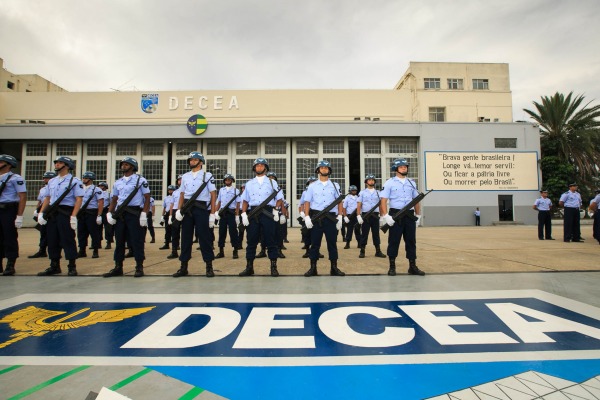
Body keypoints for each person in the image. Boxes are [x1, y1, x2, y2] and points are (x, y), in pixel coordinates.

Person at [102, 157, 150, 278]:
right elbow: (114, 199)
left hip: (134, 213)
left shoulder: (140, 180)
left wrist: (144, 213)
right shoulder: (118, 182)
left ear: (133, 166)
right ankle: (118, 266)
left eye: (127, 164)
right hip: (120, 214)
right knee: (119, 241)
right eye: (122, 164)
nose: (124, 166)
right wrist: (109, 213)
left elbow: (147, 197)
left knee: (136, 240)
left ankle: (139, 266)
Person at [37, 156, 83, 276]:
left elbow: (78, 199)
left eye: (60, 162)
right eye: (56, 162)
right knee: (52, 239)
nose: (57, 164)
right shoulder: (52, 181)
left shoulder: (75, 181)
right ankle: (54, 265)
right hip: (52, 213)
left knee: (67, 239)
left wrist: (73, 216)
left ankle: (72, 266)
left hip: (65, 212)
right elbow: (47, 198)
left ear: (67, 165)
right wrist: (41, 212)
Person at [172, 152, 216, 278]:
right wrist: (179, 210)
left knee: (204, 238)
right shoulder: (185, 176)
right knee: (185, 238)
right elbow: (182, 194)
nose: (192, 161)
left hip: (201, 208)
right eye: (191, 159)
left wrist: (212, 213)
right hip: (187, 209)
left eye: (195, 159)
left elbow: (213, 194)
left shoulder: (207, 176)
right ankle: (183, 267)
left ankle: (209, 266)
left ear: (201, 162)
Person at [238, 158, 284, 277]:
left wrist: (276, 210)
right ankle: (249, 267)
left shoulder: (271, 182)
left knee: (271, 240)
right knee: (251, 240)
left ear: (265, 168)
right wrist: (243, 213)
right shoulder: (249, 184)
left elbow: (279, 198)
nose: (259, 167)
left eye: (261, 165)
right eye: (257, 166)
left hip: (268, 212)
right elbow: (245, 200)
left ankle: (273, 267)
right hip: (253, 212)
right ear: (254, 168)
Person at [379, 158, 425, 276]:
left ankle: (412, 266)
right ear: (396, 169)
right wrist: (385, 216)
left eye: (405, 166)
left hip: (409, 215)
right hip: (396, 214)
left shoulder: (411, 183)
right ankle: (392, 266)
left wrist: (418, 215)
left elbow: (416, 201)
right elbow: (383, 201)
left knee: (411, 241)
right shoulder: (389, 182)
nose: (404, 168)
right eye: (401, 166)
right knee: (394, 241)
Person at [302, 160, 346, 277]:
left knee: (332, 243)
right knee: (315, 243)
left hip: (331, 218)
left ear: (329, 170)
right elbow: (307, 202)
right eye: (322, 168)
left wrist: (340, 216)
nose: (324, 169)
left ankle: (334, 268)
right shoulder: (312, 186)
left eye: (326, 168)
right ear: (318, 170)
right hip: (317, 217)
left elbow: (340, 202)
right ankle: (313, 268)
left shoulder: (335, 185)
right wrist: (306, 216)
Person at [0, 154, 27, 276]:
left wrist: (19, 216)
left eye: (1, 161)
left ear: (8, 164)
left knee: (9, 236)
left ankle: (10, 264)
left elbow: (22, 197)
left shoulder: (15, 178)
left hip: (9, 209)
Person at [357, 174, 386, 258]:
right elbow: (359, 204)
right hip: (366, 216)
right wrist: (358, 216)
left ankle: (378, 251)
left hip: (375, 216)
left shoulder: (378, 193)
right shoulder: (362, 192)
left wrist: (382, 216)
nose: (371, 181)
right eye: (369, 180)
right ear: (366, 182)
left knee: (376, 234)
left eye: (373, 180)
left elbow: (380, 205)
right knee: (364, 234)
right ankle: (362, 251)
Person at [76, 171, 104, 259]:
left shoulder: (96, 190)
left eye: (86, 178)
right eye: (83, 178)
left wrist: (99, 215)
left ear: (91, 179)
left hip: (91, 212)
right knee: (81, 232)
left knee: (93, 232)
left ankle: (95, 250)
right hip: (81, 213)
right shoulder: (80, 188)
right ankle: (82, 250)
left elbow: (101, 202)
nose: (83, 179)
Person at [29, 171, 56, 259]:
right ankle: (42, 250)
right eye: (44, 177)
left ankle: (55, 250)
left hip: (52, 211)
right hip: (43, 211)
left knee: (53, 232)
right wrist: (37, 211)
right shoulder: (43, 189)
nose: (45, 179)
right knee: (43, 231)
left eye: (47, 178)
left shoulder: (55, 187)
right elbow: (40, 201)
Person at [214, 174, 241, 260]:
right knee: (222, 232)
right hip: (223, 213)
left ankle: (235, 250)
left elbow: (238, 203)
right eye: (226, 180)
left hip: (231, 213)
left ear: (232, 181)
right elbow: (219, 201)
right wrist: (216, 212)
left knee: (233, 232)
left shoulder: (236, 191)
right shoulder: (221, 190)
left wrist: (237, 215)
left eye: (229, 180)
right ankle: (221, 251)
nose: (227, 181)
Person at [267, 171, 287, 258]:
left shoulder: (278, 189)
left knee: (278, 232)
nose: (271, 179)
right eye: (269, 177)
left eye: (273, 178)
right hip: (267, 212)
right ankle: (263, 250)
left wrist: (283, 214)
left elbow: (281, 201)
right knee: (265, 233)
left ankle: (279, 250)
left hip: (276, 212)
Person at [167, 175, 183, 260]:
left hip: (183, 211)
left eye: (181, 179)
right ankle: (174, 251)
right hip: (175, 211)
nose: (180, 181)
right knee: (174, 232)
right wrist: (170, 215)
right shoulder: (175, 192)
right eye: (179, 180)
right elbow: (172, 204)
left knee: (185, 232)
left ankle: (184, 252)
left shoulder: (187, 191)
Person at [342, 185, 360, 249]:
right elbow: (344, 208)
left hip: (356, 216)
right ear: (350, 191)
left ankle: (359, 243)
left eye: (355, 190)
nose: (354, 191)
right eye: (353, 190)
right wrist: (345, 216)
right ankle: (347, 243)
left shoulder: (358, 197)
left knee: (357, 230)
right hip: (349, 216)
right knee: (349, 230)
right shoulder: (347, 198)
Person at [159, 185, 176, 250]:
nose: (170, 191)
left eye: (171, 190)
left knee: (175, 230)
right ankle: (166, 244)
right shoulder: (166, 198)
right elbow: (164, 207)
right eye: (169, 190)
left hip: (173, 213)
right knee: (167, 230)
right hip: (167, 214)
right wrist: (162, 216)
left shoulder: (176, 196)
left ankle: (176, 245)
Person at [98, 182, 114, 249]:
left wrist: (110, 212)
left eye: (102, 186)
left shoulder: (108, 194)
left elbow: (111, 203)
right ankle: (98, 243)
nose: (100, 187)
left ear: (105, 187)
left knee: (108, 228)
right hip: (98, 211)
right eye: (100, 186)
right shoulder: (97, 193)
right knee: (98, 227)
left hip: (105, 210)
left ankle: (108, 242)